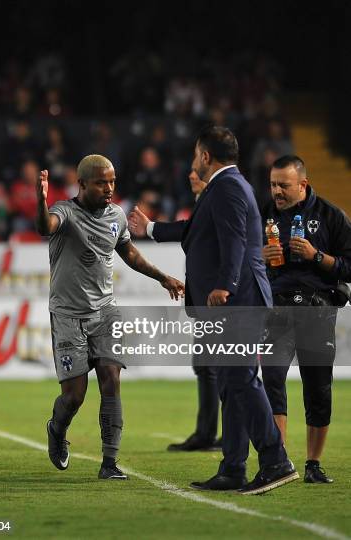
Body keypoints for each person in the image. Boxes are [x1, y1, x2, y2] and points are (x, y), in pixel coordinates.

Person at [130, 125, 298, 494]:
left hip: (237, 302)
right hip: (231, 303)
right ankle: (233, 469)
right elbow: (198, 230)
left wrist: (226, 284)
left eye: (195, 155)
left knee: (239, 379)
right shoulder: (225, 188)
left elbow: (235, 238)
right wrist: (153, 228)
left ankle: (275, 460)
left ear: (206, 156)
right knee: (230, 384)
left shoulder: (228, 187)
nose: (193, 161)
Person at [36, 154, 184, 480]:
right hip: (68, 315)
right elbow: (44, 227)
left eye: (112, 181)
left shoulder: (116, 215)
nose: (109, 188)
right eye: (102, 182)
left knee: (111, 381)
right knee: (73, 396)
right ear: (83, 183)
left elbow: (128, 252)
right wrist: (40, 199)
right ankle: (57, 429)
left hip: (105, 311)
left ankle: (109, 463)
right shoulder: (65, 211)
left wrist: (162, 277)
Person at [261, 155, 351, 484]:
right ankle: (277, 460)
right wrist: (260, 256)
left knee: (318, 389)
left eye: (283, 186)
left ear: (303, 184)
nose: (276, 192)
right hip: (277, 312)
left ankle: (313, 464)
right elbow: (239, 258)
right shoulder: (262, 214)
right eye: (273, 185)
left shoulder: (331, 216)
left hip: (317, 311)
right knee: (271, 379)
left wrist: (317, 257)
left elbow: (349, 264)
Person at [130, 170, 222, 452]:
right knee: (207, 368)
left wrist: (150, 228)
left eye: (198, 172)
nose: (192, 175)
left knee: (225, 370)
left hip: (222, 301)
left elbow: (189, 230)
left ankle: (227, 435)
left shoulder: (218, 198)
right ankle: (207, 434)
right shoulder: (209, 200)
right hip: (209, 301)